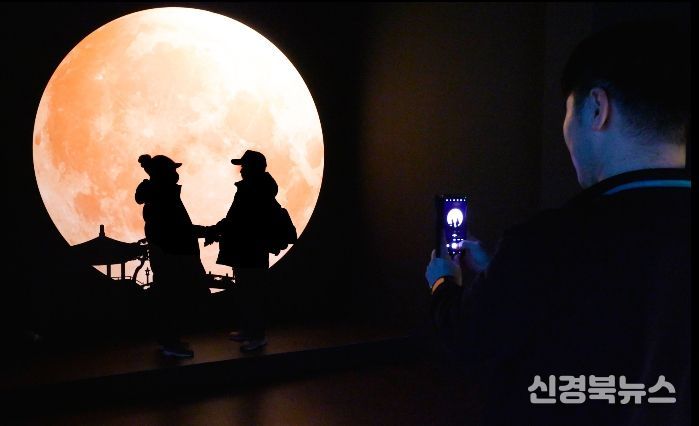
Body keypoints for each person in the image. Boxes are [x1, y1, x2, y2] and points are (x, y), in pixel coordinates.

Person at [425, 21, 689, 425]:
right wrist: (504, 274)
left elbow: (469, 340)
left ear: (597, 108)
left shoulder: (545, 243)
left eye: (568, 112)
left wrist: (444, 283)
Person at [205, 150, 279, 352]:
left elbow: (237, 218)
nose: (241, 170)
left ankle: (257, 336)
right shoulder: (257, 188)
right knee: (248, 291)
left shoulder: (254, 190)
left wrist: (216, 230)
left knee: (252, 292)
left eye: (244, 166)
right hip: (248, 248)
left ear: (253, 168)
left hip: (250, 248)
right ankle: (250, 331)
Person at [136, 154, 209, 358]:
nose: (176, 174)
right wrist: (207, 231)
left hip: (168, 255)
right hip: (173, 256)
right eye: (172, 170)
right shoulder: (163, 197)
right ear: (163, 173)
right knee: (173, 300)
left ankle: (169, 339)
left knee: (169, 299)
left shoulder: (159, 195)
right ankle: (171, 343)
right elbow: (179, 230)